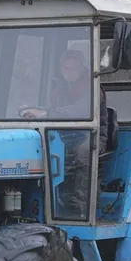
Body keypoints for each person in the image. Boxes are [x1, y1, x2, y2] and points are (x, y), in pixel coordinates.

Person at [20, 49, 108, 217]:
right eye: (66, 68)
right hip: (64, 134)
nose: (69, 72)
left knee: (84, 150)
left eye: (73, 68)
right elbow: (48, 107)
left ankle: (81, 203)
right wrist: (31, 110)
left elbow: (82, 110)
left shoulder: (93, 88)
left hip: (91, 134)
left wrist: (46, 113)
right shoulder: (57, 88)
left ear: (82, 68)